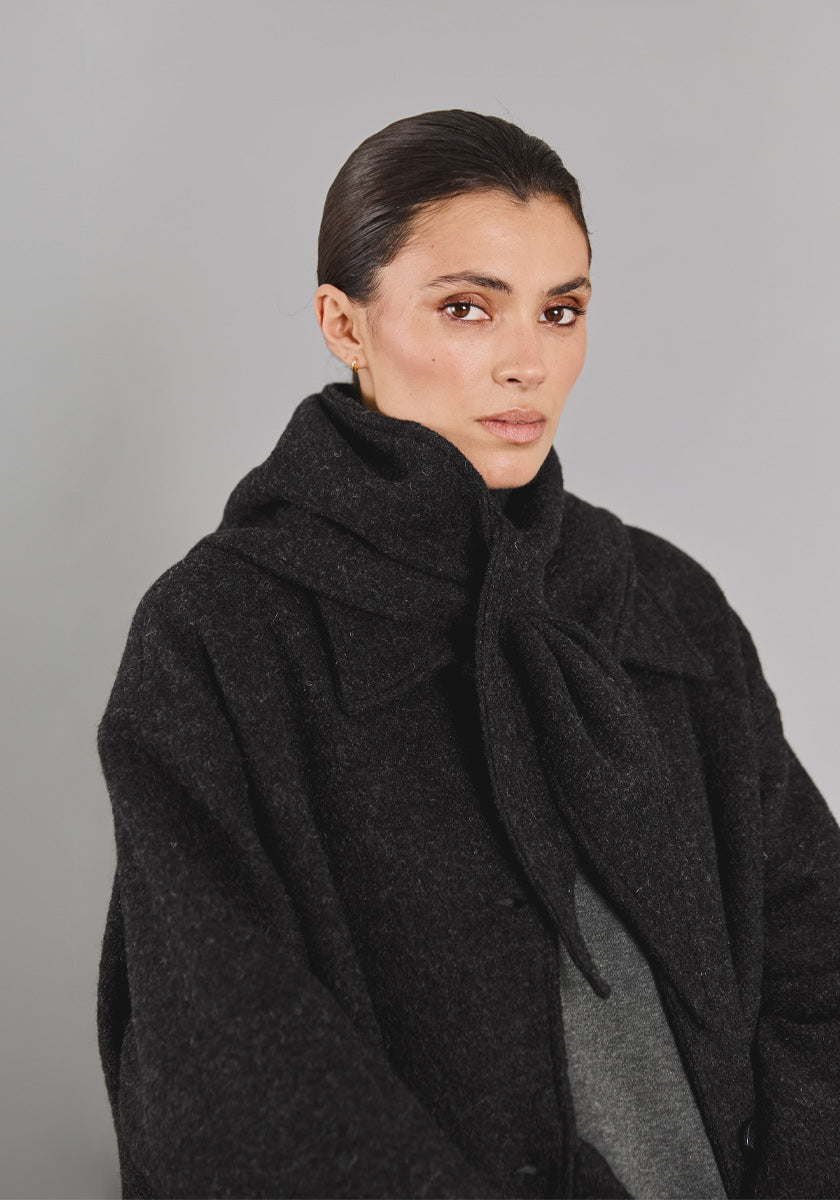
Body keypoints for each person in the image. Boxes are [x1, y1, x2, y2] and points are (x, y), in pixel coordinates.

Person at [96, 110, 840, 1199]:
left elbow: (817, 947)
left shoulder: (661, 601)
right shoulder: (223, 631)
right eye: (466, 308)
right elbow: (226, 1057)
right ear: (344, 324)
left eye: (561, 311)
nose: (527, 363)